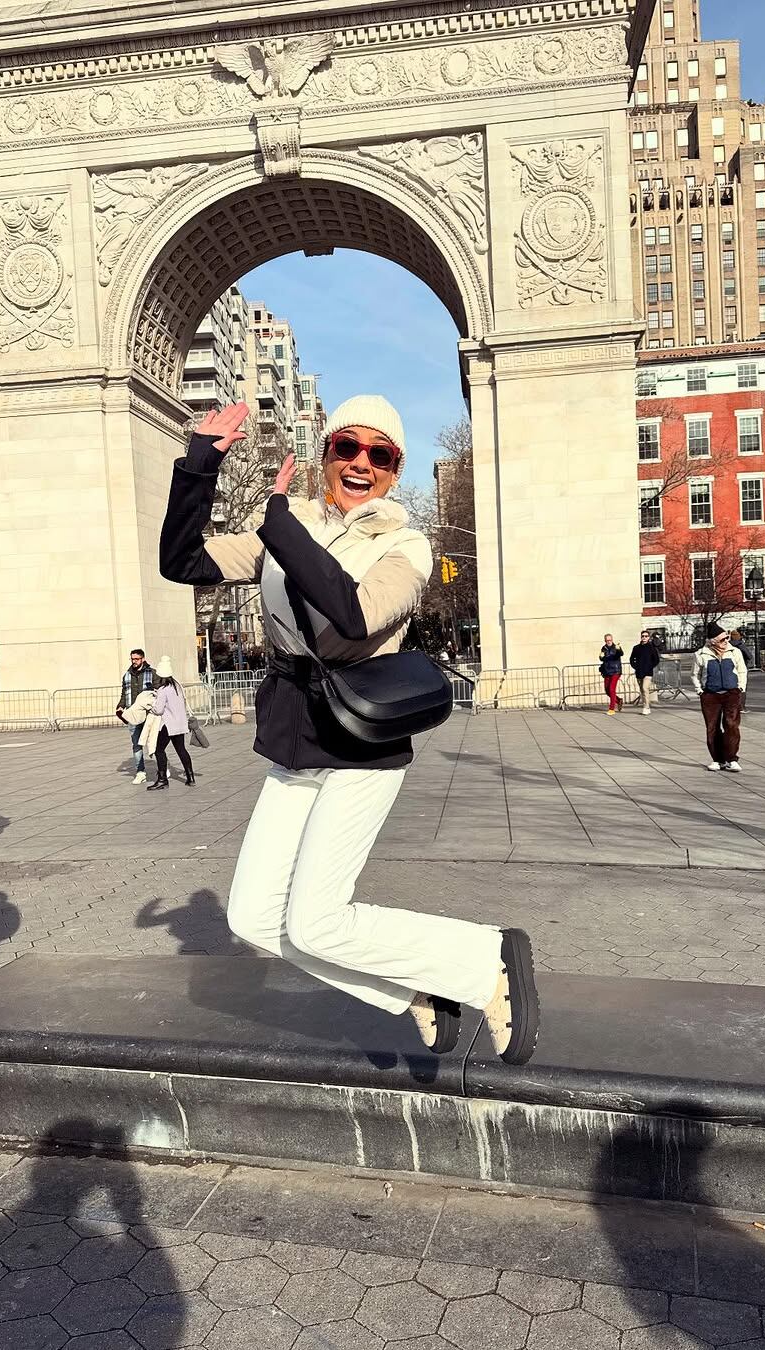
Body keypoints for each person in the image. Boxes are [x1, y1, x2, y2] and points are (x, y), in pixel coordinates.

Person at [159, 397, 540, 1066]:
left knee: (316, 920)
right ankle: (415, 990)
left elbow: (355, 615)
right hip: (296, 735)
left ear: (395, 471)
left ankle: (486, 961)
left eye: (380, 455)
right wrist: (200, 467)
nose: (361, 463)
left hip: (363, 740)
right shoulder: (293, 523)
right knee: (252, 919)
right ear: (326, 453)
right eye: (348, 448)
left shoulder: (406, 545)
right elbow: (183, 563)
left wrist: (278, 524)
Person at [691, 622, 747, 772]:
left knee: (731, 725)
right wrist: (700, 690)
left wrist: (740, 688)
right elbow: (695, 674)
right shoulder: (701, 654)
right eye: (723, 639)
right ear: (713, 641)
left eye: (727, 638)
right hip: (710, 695)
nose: (726, 641)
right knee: (712, 727)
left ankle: (732, 759)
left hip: (731, 694)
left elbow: (742, 670)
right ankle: (717, 759)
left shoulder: (735, 652)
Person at [146, 657, 195, 789]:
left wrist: (151, 706)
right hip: (180, 723)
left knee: (158, 749)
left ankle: (162, 779)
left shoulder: (163, 690)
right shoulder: (177, 685)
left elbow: (159, 709)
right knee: (181, 749)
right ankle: (190, 776)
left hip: (168, 724)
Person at [116, 648, 155, 784]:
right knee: (136, 744)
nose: (134, 661)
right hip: (133, 714)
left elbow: (158, 692)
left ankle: (162, 767)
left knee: (154, 743)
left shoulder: (152, 673)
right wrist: (120, 706)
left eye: (136, 659)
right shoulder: (127, 675)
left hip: (149, 714)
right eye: (132, 659)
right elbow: (124, 693)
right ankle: (140, 772)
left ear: (143, 659)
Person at [629, 629, 660, 716]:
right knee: (642, 690)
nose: (644, 638)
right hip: (639, 672)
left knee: (645, 688)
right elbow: (632, 659)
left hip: (648, 672)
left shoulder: (652, 648)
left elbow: (656, 660)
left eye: (646, 636)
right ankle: (645, 705)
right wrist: (635, 666)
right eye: (643, 636)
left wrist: (650, 666)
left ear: (648, 638)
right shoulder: (636, 648)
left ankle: (646, 707)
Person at [599, 634, 623, 715]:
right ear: (605, 640)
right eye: (607, 640)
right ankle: (618, 700)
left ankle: (612, 709)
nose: (609, 641)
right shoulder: (604, 648)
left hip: (616, 671)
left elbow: (620, 654)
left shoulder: (616, 647)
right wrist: (601, 657)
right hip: (607, 671)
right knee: (607, 690)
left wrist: (619, 650)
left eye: (610, 640)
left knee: (612, 689)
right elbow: (603, 659)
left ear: (612, 640)